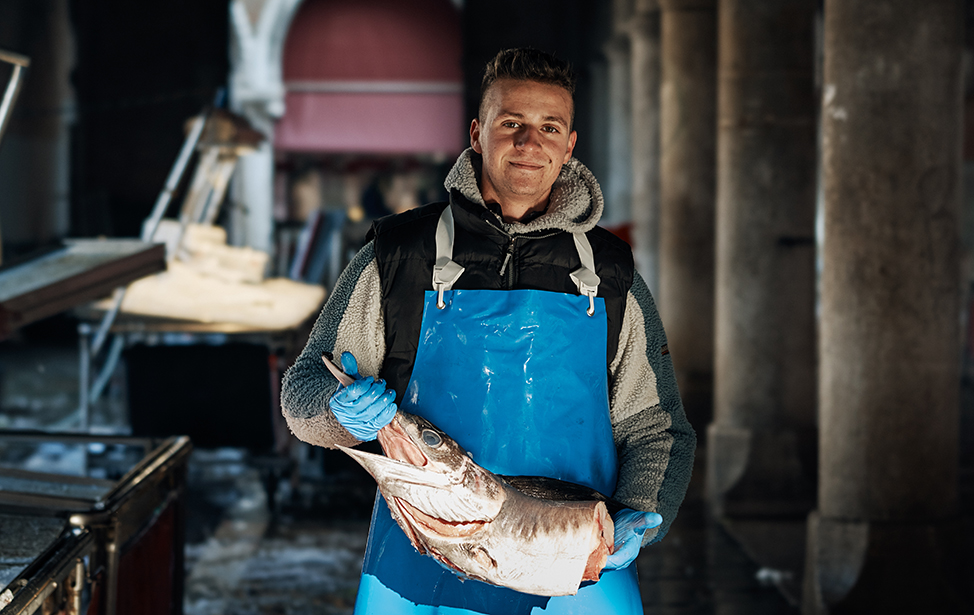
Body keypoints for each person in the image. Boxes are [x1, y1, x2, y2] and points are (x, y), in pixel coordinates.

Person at [280, 47, 695, 615]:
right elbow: (302, 388)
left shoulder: (611, 273)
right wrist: (336, 410)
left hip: (577, 567)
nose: (530, 143)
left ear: (570, 145)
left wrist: (641, 514)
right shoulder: (398, 256)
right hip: (419, 570)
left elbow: (657, 427)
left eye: (550, 127)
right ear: (477, 134)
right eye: (511, 123)